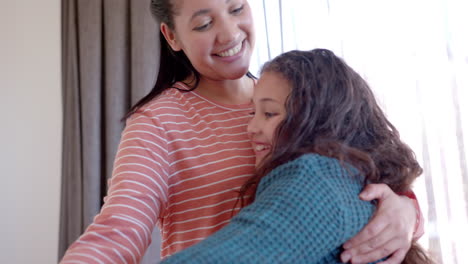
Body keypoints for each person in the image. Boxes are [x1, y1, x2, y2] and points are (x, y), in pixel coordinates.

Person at [60, 0, 423, 263]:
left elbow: (364, 168)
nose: (229, 34)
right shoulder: (158, 122)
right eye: (204, 24)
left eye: (236, 9)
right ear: (172, 36)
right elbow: (118, 231)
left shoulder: (291, 93)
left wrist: (406, 212)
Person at [160, 49, 434, 264]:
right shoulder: (350, 177)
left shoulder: (314, 178)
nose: (251, 128)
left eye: (269, 114)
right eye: (252, 112)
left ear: (318, 120)